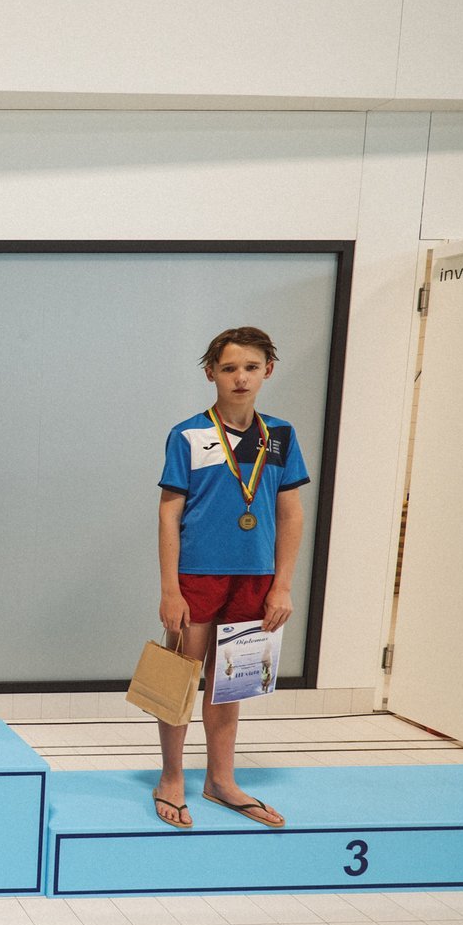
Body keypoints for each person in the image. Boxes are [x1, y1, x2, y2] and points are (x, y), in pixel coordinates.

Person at [153, 326, 307, 829]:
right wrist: (170, 589)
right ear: (210, 374)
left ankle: (220, 779)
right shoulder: (188, 434)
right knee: (179, 679)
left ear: (268, 371)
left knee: (231, 684)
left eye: (251, 367)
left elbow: (290, 513)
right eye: (228, 368)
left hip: (256, 577)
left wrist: (282, 585)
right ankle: (171, 778)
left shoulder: (279, 437)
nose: (240, 378)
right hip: (197, 576)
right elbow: (169, 513)